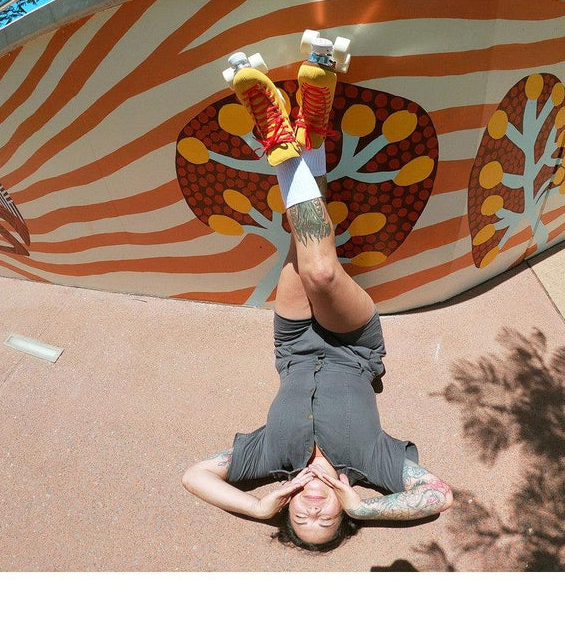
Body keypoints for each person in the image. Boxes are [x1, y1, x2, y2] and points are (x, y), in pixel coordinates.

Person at [182, 42, 453, 551]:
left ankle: (311, 120)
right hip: (352, 345)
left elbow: (193, 475)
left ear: (286, 507)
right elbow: (438, 493)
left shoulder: (263, 460)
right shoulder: (375, 464)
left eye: (297, 521)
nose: (311, 510)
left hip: (292, 344)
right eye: (325, 521)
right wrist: (364, 506)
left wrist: (258, 504)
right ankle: (278, 135)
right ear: (341, 513)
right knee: (322, 272)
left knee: (306, 229)